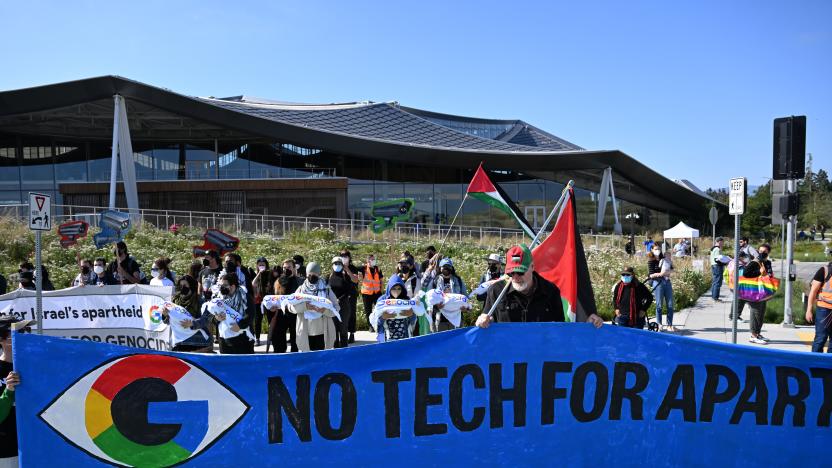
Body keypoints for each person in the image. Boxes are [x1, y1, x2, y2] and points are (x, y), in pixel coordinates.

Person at [477, 244, 604, 328]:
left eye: (520, 272)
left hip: (540, 361)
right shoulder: (496, 291)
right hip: (508, 361)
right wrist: (482, 322)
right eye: (511, 272)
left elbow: (561, 330)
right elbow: (486, 322)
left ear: (532, 267)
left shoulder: (550, 291)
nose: (515, 277)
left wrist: (586, 327)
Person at [0, 316, 33, 466]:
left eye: (26, 330)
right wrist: (9, 390)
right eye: (18, 332)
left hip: (33, 447)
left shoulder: (33, 367)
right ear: (2, 338)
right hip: (5, 450)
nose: (24, 335)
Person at [292, 262, 339, 351]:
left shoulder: (326, 289)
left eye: (315, 274)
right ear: (306, 274)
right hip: (306, 332)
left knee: (321, 359)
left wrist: (325, 310)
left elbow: (337, 308)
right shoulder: (301, 290)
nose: (312, 276)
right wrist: (305, 306)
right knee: (308, 359)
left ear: (319, 274)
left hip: (323, 331)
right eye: (310, 274)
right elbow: (291, 308)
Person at [737, 244, 773, 345]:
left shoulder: (767, 262)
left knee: (761, 313)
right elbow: (746, 273)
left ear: (768, 253)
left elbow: (769, 274)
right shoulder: (754, 262)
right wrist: (759, 272)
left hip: (763, 291)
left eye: (764, 252)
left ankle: (757, 333)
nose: (761, 253)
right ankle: (753, 335)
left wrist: (767, 274)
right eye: (760, 251)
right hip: (754, 292)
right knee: (755, 313)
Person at [167, 275, 213, 353]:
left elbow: (206, 319)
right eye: (181, 286)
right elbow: (167, 321)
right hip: (180, 341)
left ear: (191, 286)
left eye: (185, 285)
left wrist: (193, 323)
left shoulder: (200, 301)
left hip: (198, 342)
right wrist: (165, 314)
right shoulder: (175, 301)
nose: (182, 288)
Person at [425, 258, 468, 331]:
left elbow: (465, 296)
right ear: (440, 268)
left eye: (448, 267)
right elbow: (428, 299)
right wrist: (436, 306)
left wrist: (465, 307)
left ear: (452, 268)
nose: (446, 269)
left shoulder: (458, 280)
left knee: (456, 340)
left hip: (456, 317)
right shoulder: (435, 281)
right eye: (444, 267)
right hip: (440, 318)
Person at [216, 274, 254, 354]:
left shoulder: (245, 296)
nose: (222, 287)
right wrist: (216, 318)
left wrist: (240, 325)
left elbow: (250, 314)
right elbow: (212, 315)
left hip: (242, 338)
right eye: (221, 285)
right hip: (225, 339)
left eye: (225, 285)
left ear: (233, 286)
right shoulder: (219, 298)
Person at [373, 276, 417, 342]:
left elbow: (413, 322)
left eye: (399, 288)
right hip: (387, 340)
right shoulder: (382, 300)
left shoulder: (406, 300)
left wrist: (411, 315)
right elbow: (375, 323)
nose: (396, 291)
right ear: (389, 288)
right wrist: (383, 317)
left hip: (405, 338)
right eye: (393, 288)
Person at [270, 258, 301, 353]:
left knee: (295, 338)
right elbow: (273, 297)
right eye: (284, 267)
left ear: (294, 268)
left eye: (289, 267)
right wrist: (272, 306)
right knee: (278, 338)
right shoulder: (278, 281)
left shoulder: (300, 281)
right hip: (280, 313)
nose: (286, 269)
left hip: (295, 313)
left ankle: (295, 358)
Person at [806, 251, 832, 353]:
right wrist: (809, 310)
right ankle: (815, 364)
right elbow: (813, 291)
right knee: (821, 338)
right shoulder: (825, 270)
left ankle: (828, 365)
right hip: (824, 309)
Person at [326, 256, 354, 348]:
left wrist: (339, 299)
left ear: (342, 265)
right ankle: (335, 351)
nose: (337, 265)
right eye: (335, 263)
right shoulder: (328, 277)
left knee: (343, 329)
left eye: (339, 263)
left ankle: (344, 351)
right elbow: (325, 291)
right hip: (331, 306)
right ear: (332, 265)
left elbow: (349, 291)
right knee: (333, 330)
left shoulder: (346, 277)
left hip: (343, 306)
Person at [647, 244, 675, 332]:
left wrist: (664, 273)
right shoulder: (651, 261)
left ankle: (669, 324)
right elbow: (651, 275)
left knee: (670, 305)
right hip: (657, 282)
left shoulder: (664, 259)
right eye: (655, 249)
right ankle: (659, 324)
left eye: (659, 249)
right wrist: (661, 274)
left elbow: (672, 270)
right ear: (651, 250)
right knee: (659, 305)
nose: (657, 250)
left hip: (667, 282)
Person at [338, 250, 361, 344]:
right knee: (341, 315)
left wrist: (347, 269)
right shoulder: (338, 267)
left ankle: (352, 333)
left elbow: (355, 280)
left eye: (346, 256)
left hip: (351, 294)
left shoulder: (353, 268)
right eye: (342, 256)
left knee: (351, 314)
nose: (344, 257)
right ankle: (343, 334)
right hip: (341, 295)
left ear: (349, 257)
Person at [251, 257, 272, 347]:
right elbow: (253, 284)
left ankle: (270, 338)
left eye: (263, 265)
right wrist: (259, 273)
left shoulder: (269, 274)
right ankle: (257, 338)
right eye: (260, 265)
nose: (261, 266)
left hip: (267, 300)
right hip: (257, 300)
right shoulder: (255, 274)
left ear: (266, 265)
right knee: (257, 320)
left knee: (270, 319)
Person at [359, 253, 384, 325]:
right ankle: (370, 326)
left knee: (379, 309)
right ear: (368, 260)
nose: (373, 261)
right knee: (368, 311)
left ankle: (379, 324)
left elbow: (381, 280)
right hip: (367, 293)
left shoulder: (377, 269)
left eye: (374, 259)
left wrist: (381, 290)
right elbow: (355, 269)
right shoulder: (364, 268)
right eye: (371, 259)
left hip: (377, 293)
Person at [709, 237, 731, 302]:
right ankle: (715, 298)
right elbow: (718, 259)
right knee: (718, 282)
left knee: (714, 281)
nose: (723, 244)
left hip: (713, 265)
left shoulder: (713, 248)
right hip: (717, 266)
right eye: (722, 242)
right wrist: (726, 262)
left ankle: (713, 296)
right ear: (719, 242)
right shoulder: (717, 249)